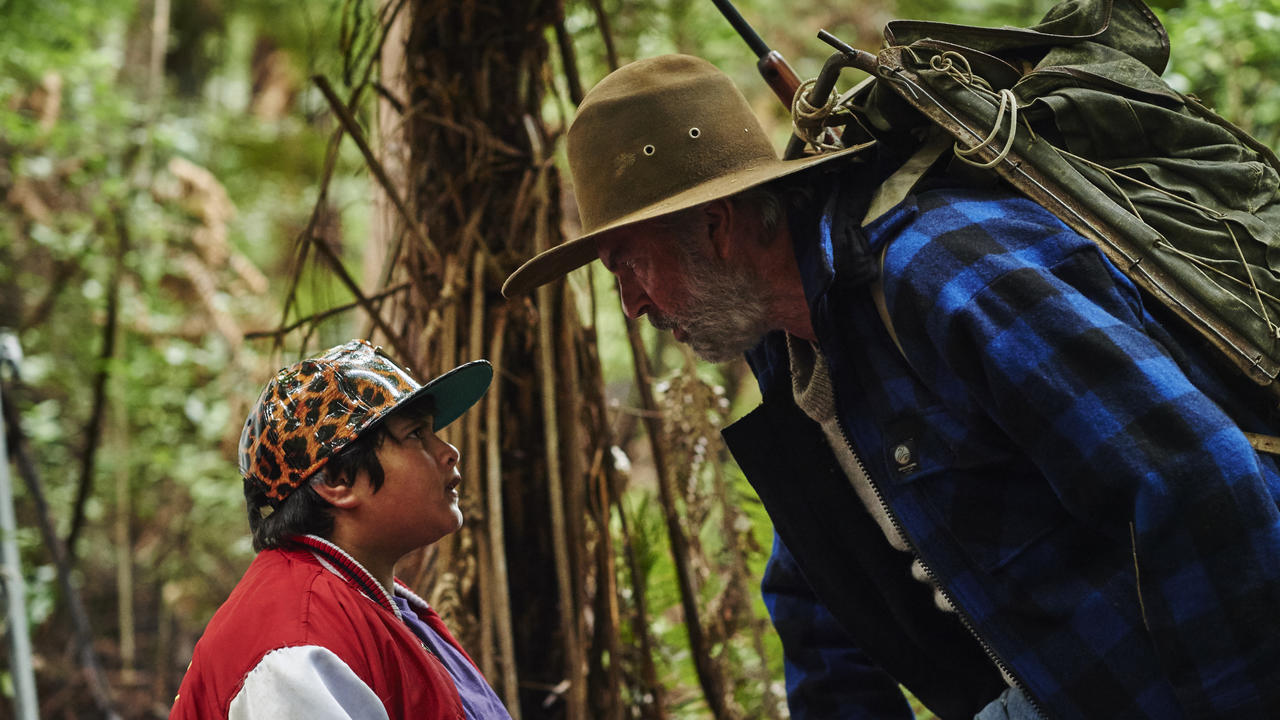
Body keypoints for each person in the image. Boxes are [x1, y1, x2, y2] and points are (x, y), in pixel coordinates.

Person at [501, 52, 1280, 719]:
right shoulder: (792, 352)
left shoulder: (943, 273)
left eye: (630, 266)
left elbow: (1193, 478)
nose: (633, 304)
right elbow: (823, 601)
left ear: (717, 227)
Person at [170, 339, 511, 720]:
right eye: (415, 434)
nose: (449, 451)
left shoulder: (372, 604)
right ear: (336, 479)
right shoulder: (294, 650)